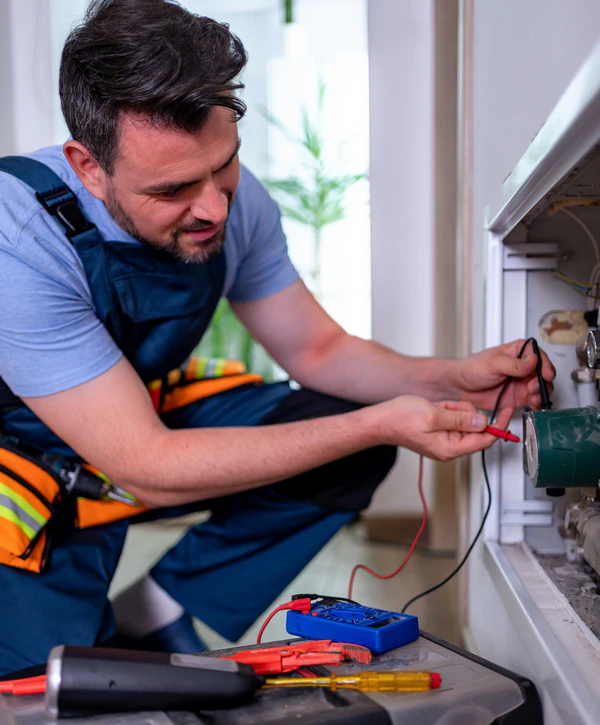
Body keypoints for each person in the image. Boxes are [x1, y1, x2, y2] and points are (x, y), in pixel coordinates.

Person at [0, 0, 554, 676]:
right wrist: (385, 423)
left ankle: (156, 617)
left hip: (130, 413)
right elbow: (147, 465)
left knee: (340, 431)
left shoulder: (233, 198)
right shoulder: (16, 239)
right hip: (22, 463)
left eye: (224, 165)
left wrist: (448, 377)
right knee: (43, 687)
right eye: (174, 188)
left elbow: (318, 351)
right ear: (88, 167)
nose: (214, 207)